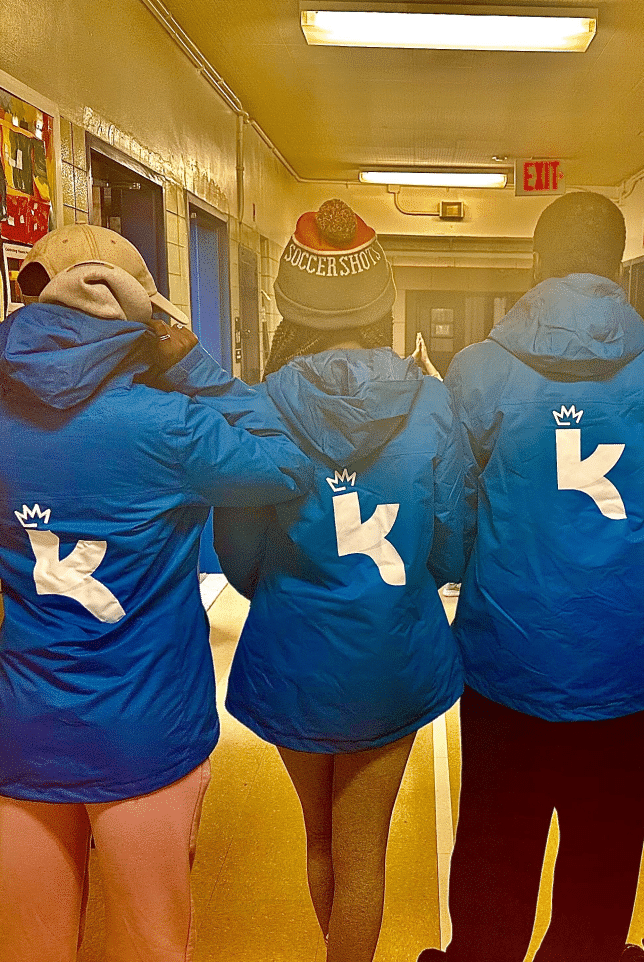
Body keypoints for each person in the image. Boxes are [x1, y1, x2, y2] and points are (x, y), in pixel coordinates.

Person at [0, 225, 314, 962]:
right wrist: (195, 368)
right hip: (149, 733)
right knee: (150, 944)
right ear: (144, 315)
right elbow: (290, 465)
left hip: (28, 732)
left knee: (27, 949)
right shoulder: (171, 426)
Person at [420, 191, 644, 962]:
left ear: (535, 262)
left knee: (494, 845)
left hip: (509, 657)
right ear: (619, 266)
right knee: (604, 860)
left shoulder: (477, 372)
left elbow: (453, 510)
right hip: (629, 662)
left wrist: (473, 569)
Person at [215, 199, 468, 962]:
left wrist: (293, 590)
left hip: (295, 657)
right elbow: (453, 546)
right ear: (380, 303)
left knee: (318, 840)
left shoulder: (259, 406)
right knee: (365, 858)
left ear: (289, 305)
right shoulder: (433, 402)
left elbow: (238, 553)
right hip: (391, 660)